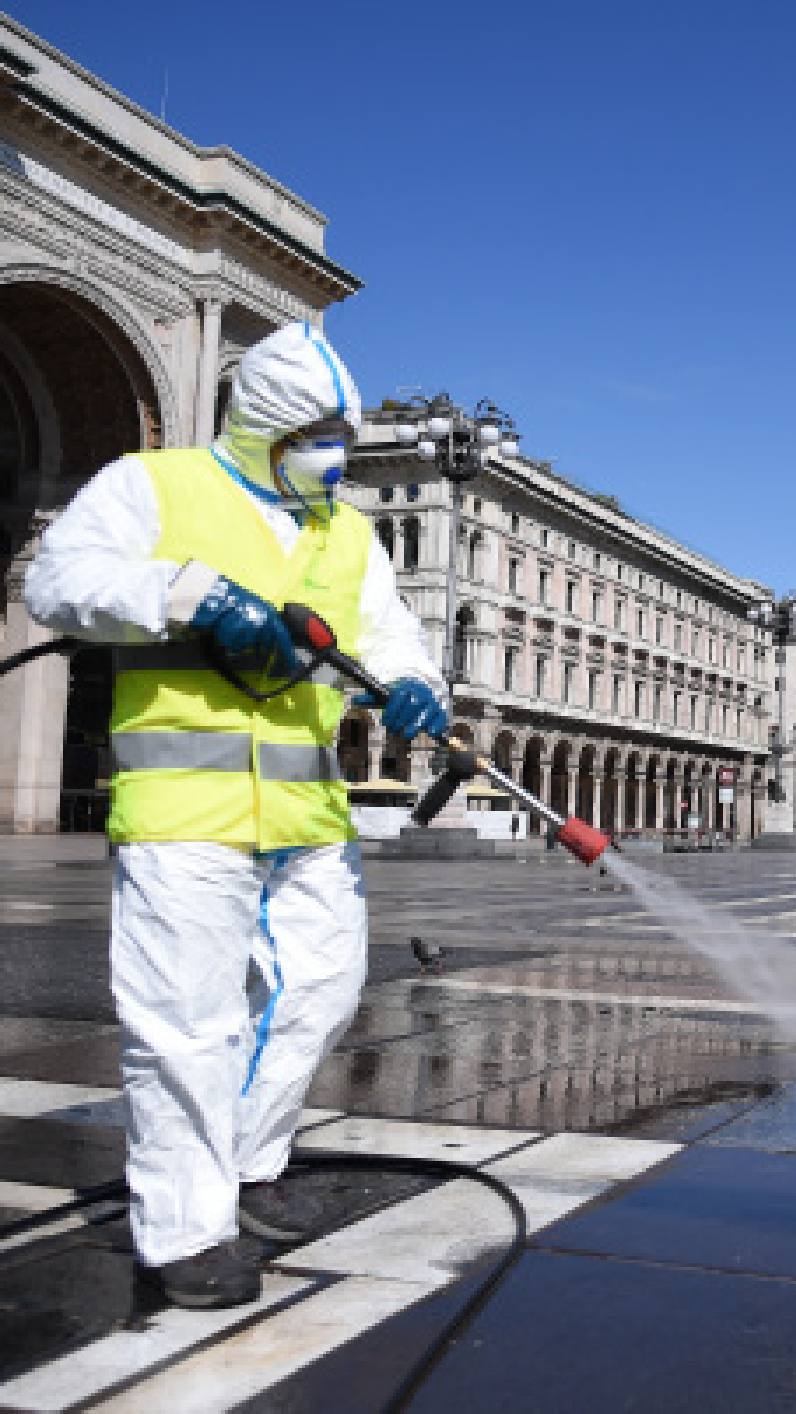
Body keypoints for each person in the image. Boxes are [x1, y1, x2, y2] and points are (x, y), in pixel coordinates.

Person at [24, 323, 447, 1310]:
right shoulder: (155, 486)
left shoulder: (346, 529)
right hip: (184, 808)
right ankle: (184, 1231)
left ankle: (247, 1162)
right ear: (263, 425)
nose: (336, 450)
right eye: (318, 430)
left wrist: (417, 685)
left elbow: (391, 634)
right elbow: (56, 582)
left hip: (306, 811)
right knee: (185, 1024)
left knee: (326, 988)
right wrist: (184, 595)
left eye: (343, 432)